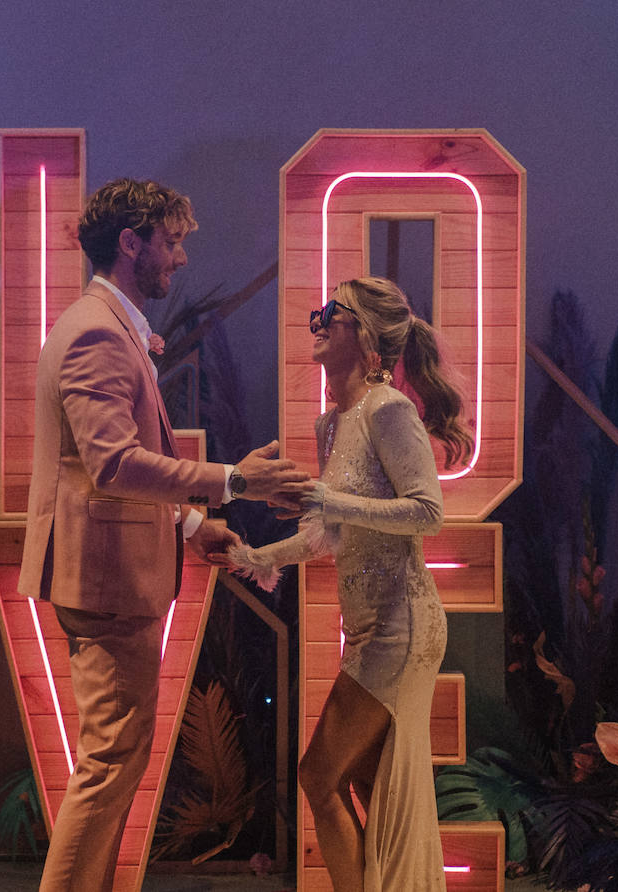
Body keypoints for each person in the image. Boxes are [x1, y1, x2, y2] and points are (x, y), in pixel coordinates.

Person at [17, 177, 311, 892]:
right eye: (171, 242)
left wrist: (187, 526)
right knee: (110, 764)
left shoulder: (108, 326)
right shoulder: (93, 330)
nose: (179, 260)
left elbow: (107, 467)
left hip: (112, 572)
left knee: (113, 763)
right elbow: (112, 463)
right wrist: (234, 482)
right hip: (105, 580)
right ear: (131, 242)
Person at [230, 277, 473, 890]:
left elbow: (428, 512)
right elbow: (328, 530)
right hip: (367, 629)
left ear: (363, 337)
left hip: (402, 627)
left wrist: (328, 498)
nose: (317, 321)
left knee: (318, 777)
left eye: (331, 313)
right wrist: (258, 555)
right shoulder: (331, 425)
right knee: (363, 782)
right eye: (320, 311)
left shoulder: (389, 411)